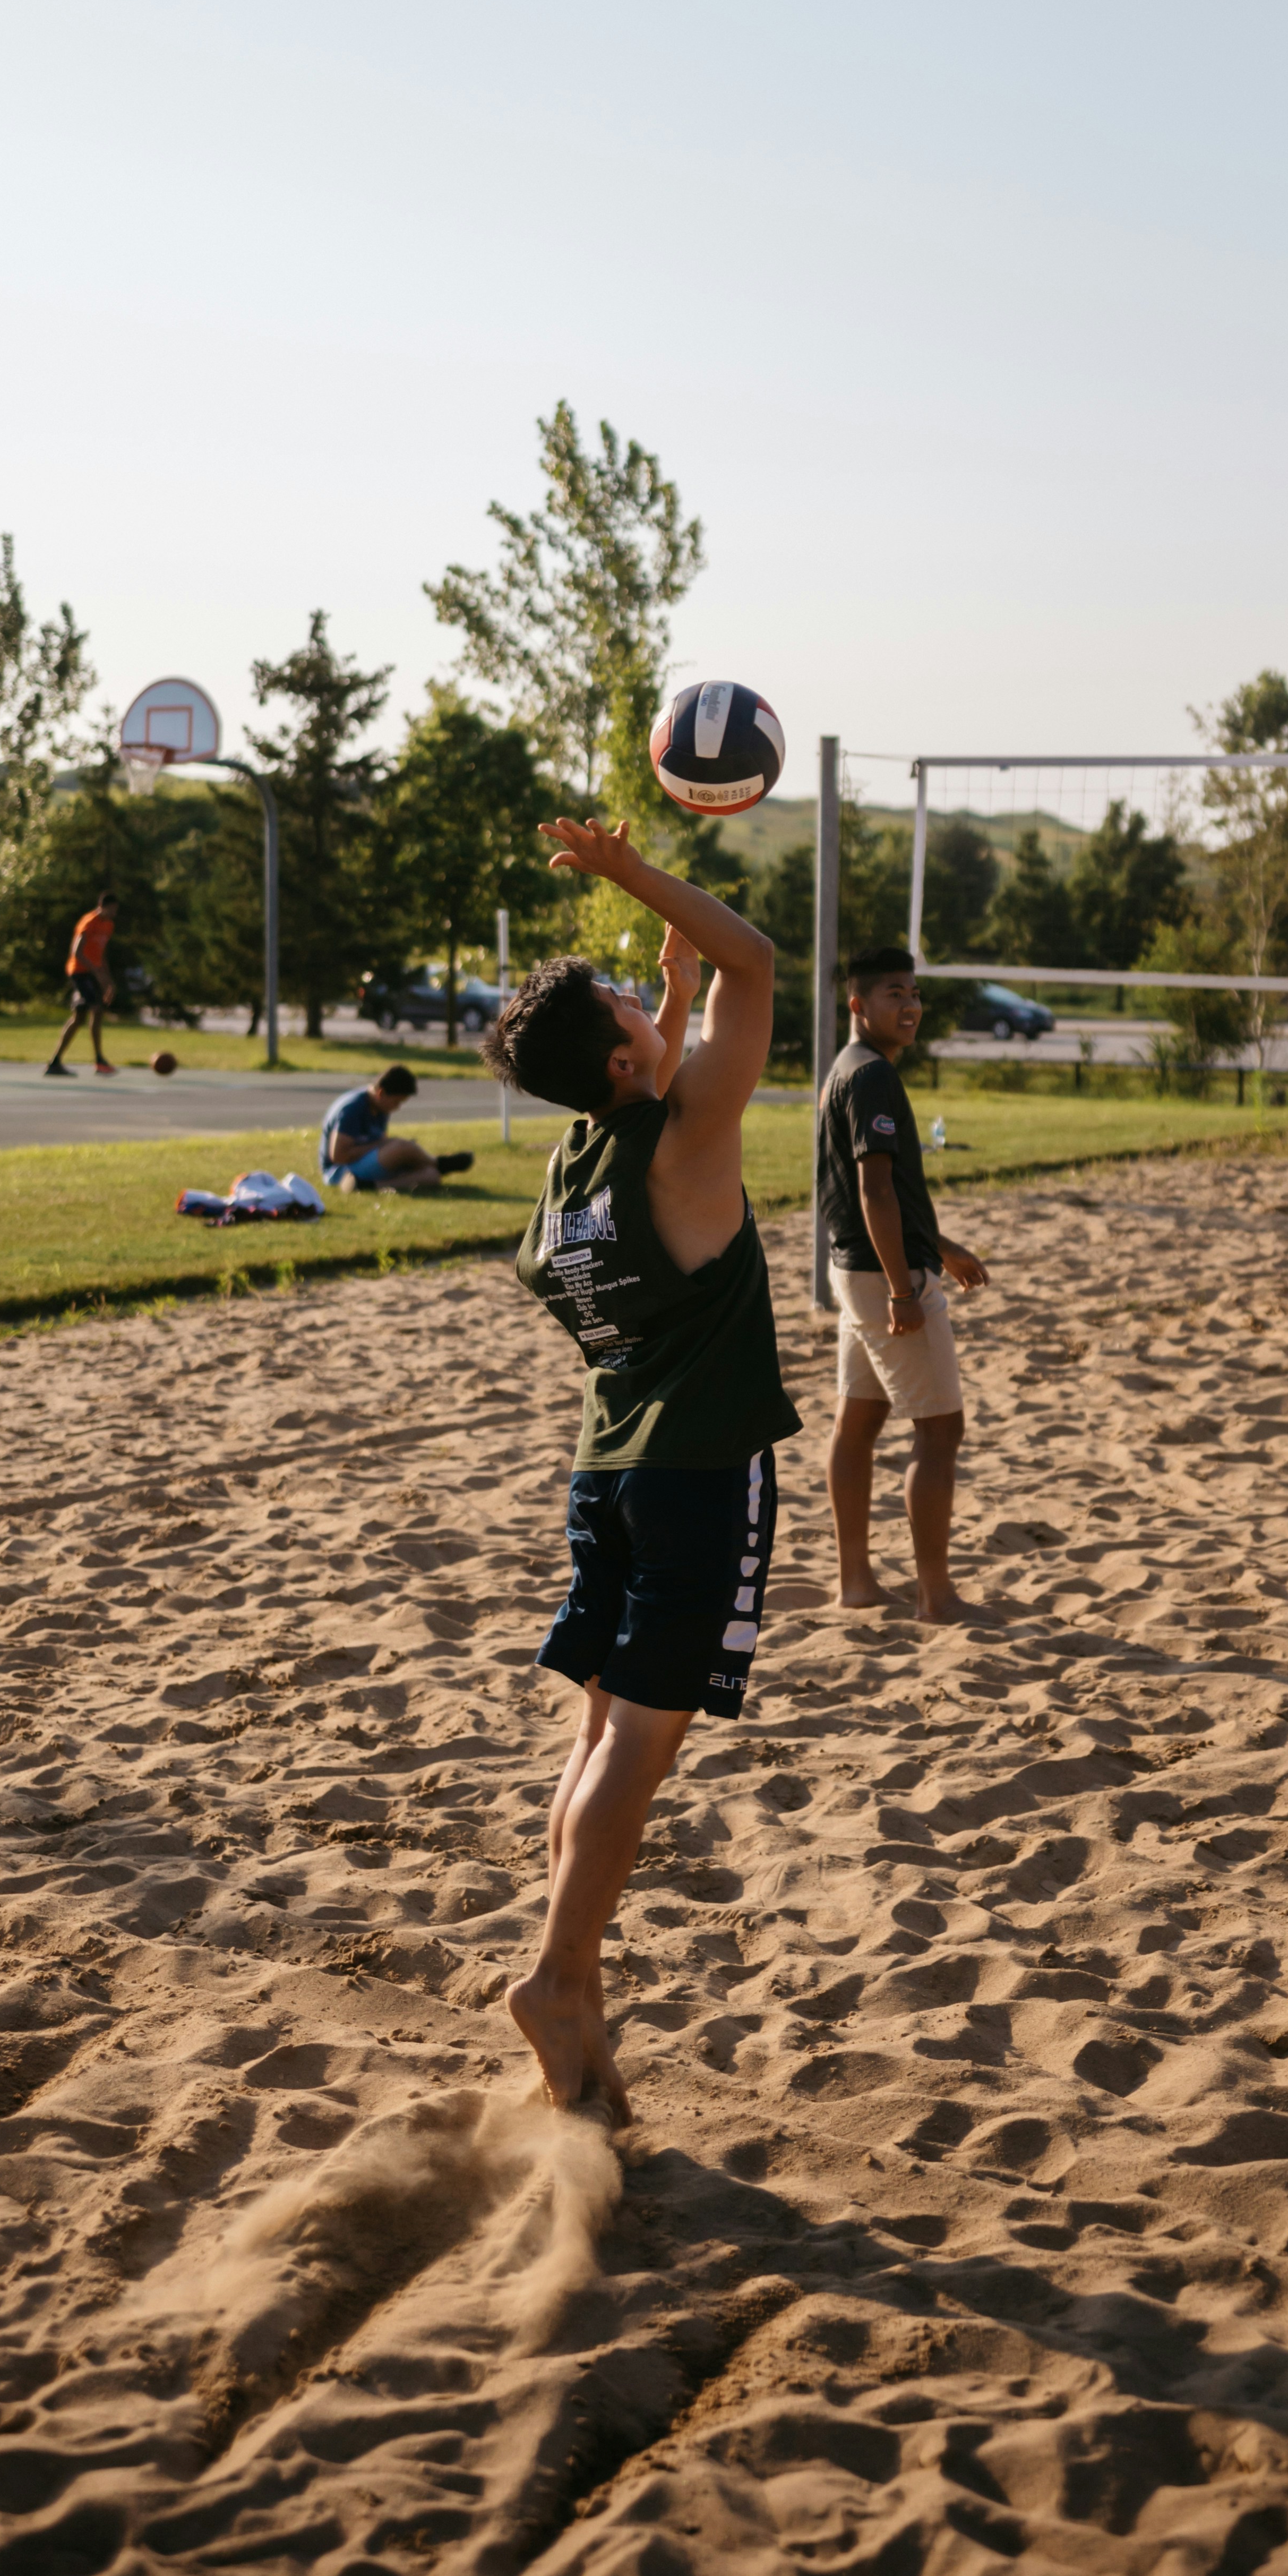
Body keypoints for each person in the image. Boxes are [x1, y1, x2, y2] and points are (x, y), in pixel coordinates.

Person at [484, 816, 795, 2119]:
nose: (644, 992)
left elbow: (685, 1008)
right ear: (621, 1057)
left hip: (604, 1473)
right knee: (640, 1745)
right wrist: (630, 875)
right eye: (628, 1001)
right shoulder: (686, 1138)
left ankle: (573, 1980)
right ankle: (561, 1976)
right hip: (697, 1471)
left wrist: (660, 988)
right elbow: (761, 963)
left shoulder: (572, 1167)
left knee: (603, 1728)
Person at [818, 943, 989, 1621]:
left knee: (858, 1423)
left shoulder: (848, 1068)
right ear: (858, 1006)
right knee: (941, 1431)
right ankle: (936, 1597)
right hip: (878, 1275)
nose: (910, 1004)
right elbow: (873, 1191)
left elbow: (883, 1191)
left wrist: (938, 1246)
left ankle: (856, 1583)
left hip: (853, 1269)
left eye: (915, 992)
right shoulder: (871, 1079)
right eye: (894, 993)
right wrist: (901, 1289)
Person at [317, 1063, 476, 1194]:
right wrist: (384, 1144)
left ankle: (370, 1186)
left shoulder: (380, 1107)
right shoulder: (352, 1108)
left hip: (361, 1170)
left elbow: (379, 1147)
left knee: (431, 1176)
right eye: (397, 1102)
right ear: (381, 1093)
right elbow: (338, 1156)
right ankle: (439, 1163)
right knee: (401, 1147)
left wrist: (387, 1146)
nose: (398, 1108)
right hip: (340, 1172)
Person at [46, 891, 119, 1079]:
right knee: (96, 1009)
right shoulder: (89, 922)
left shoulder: (108, 925)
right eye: (112, 909)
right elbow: (77, 952)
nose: (114, 913)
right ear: (102, 907)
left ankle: (55, 1062)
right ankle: (99, 1061)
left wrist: (108, 980)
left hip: (91, 973)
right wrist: (96, 973)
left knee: (79, 1018)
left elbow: (101, 955)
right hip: (79, 972)